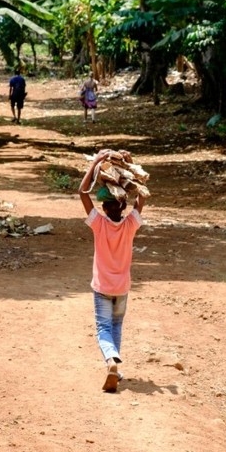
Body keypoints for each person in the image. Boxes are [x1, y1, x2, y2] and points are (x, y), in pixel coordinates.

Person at [79, 150, 147, 393]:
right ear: (122, 205)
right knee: (116, 326)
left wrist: (96, 162)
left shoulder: (98, 224)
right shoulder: (130, 224)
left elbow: (82, 193)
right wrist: (130, 166)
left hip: (102, 288)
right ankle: (114, 369)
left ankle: (110, 361)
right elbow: (142, 197)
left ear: (105, 208)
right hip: (123, 288)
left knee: (103, 328)